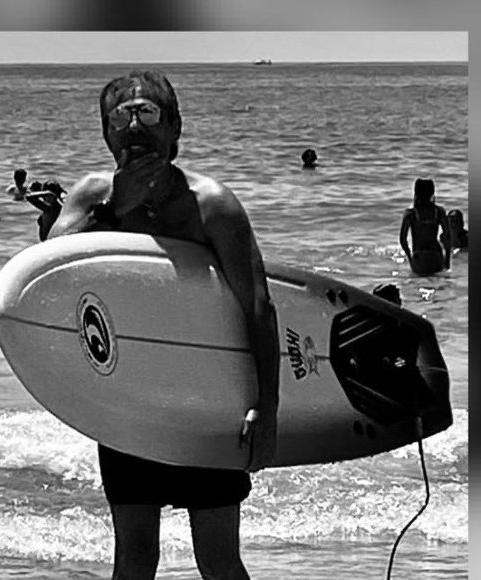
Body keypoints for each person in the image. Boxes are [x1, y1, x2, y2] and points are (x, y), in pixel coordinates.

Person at [46, 70, 280, 579]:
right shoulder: (90, 197)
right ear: (105, 132)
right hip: (127, 401)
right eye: (121, 117)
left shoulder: (211, 205)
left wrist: (267, 407)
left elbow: (259, 307)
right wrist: (116, 208)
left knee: (218, 560)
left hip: (208, 401)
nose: (135, 128)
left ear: (176, 127)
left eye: (148, 114)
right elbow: (46, 276)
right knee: (134, 560)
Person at [399, 178, 451, 276]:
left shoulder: (410, 213)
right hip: (436, 255)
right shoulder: (439, 211)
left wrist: (410, 258)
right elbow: (447, 236)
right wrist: (447, 260)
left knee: (418, 283)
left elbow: (403, 239)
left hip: (419, 256)